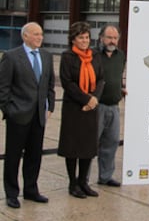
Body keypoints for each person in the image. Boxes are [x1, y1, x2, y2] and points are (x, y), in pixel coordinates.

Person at [0, 22, 55, 208]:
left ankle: (31, 190)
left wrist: (50, 107)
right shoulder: (11, 57)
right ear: (25, 36)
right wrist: (9, 111)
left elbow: (49, 85)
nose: (40, 37)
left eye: (41, 34)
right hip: (18, 116)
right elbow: (3, 88)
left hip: (39, 116)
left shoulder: (46, 57)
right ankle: (12, 193)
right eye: (36, 34)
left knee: (34, 155)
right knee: (13, 156)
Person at [58, 21, 104, 198]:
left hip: (91, 107)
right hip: (74, 108)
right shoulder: (67, 57)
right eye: (81, 38)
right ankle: (72, 184)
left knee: (87, 146)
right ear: (73, 40)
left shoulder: (95, 56)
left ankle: (84, 182)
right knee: (73, 147)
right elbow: (67, 83)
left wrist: (94, 99)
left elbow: (101, 79)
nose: (85, 41)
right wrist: (86, 99)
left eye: (86, 37)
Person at [95, 24, 126, 187]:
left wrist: (121, 89)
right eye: (109, 37)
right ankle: (82, 179)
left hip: (114, 106)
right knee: (91, 144)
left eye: (115, 38)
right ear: (101, 38)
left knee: (111, 142)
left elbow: (118, 76)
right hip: (96, 106)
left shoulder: (121, 55)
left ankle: (105, 176)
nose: (112, 41)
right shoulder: (93, 55)